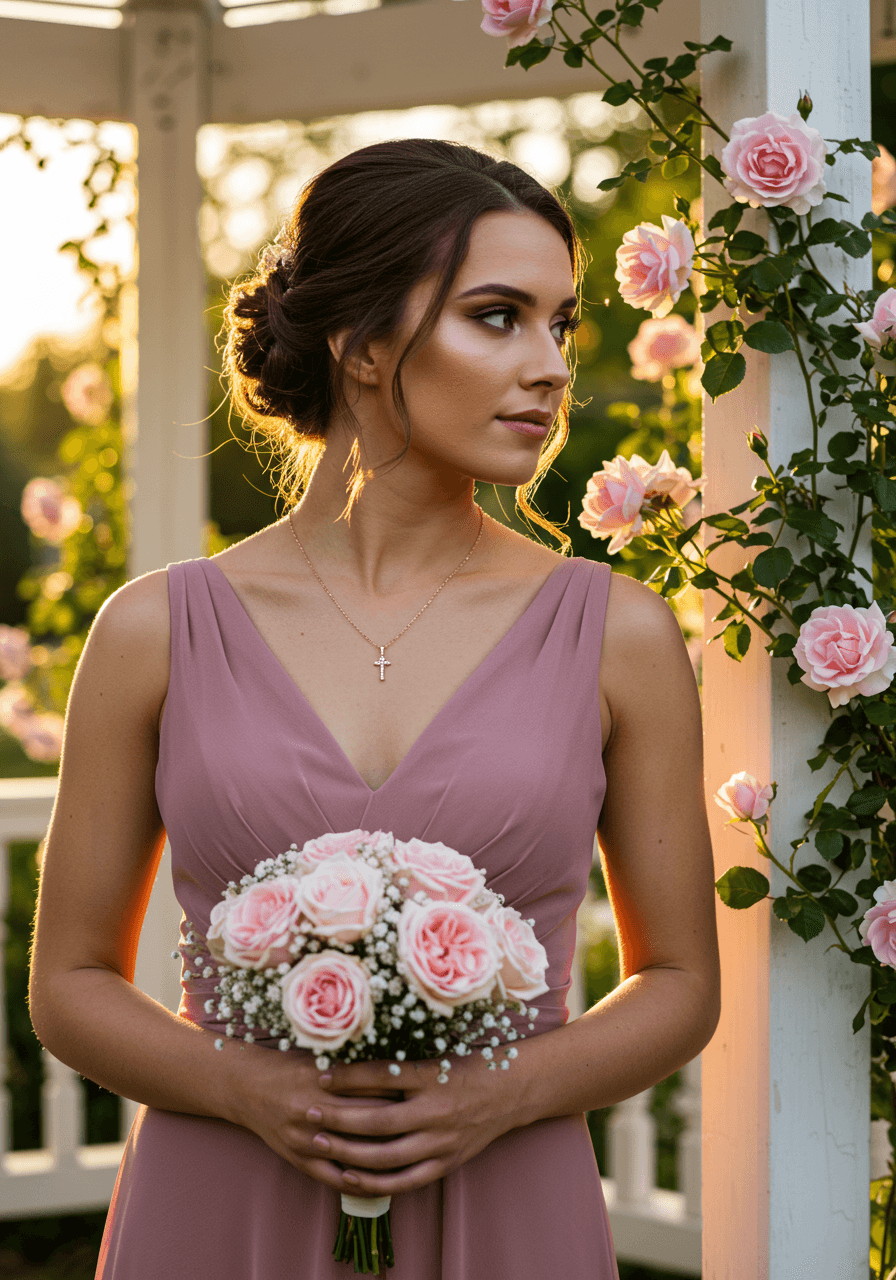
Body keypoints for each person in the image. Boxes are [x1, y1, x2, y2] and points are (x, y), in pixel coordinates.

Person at [28, 137, 720, 1279]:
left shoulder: (620, 633)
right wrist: (241, 1085)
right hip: (218, 1203)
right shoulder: (153, 630)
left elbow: (681, 979)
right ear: (361, 344)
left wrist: (501, 1094)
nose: (550, 366)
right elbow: (68, 981)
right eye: (498, 315)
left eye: (562, 323)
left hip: (508, 1195)